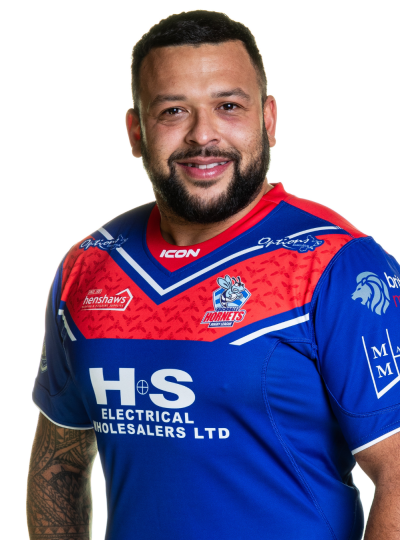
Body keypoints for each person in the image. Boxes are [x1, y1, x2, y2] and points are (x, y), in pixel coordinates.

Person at [27, 10, 400, 540]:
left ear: (268, 120)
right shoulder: (90, 267)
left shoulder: (336, 264)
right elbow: (59, 465)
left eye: (229, 106)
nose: (203, 135)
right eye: (173, 111)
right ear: (136, 131)